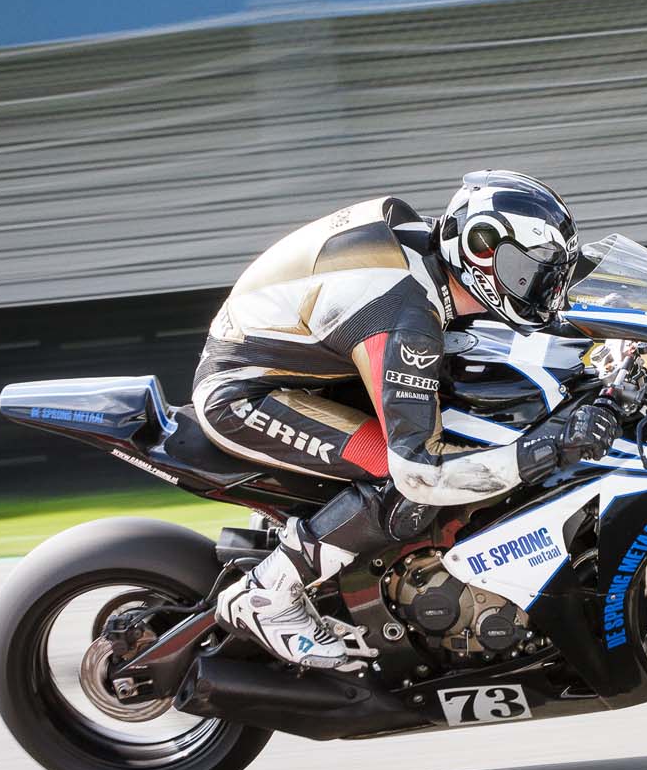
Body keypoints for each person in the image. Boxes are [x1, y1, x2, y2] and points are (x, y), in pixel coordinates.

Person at [194, 171, 620, 668]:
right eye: (530, 272)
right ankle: (269, 596)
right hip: (248, 394)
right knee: (403, 484)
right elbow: (422, 472)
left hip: (307, 365)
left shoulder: (434, 250)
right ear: (483, 251)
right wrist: (547, 449)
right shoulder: (406, 319)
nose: (544, 286)